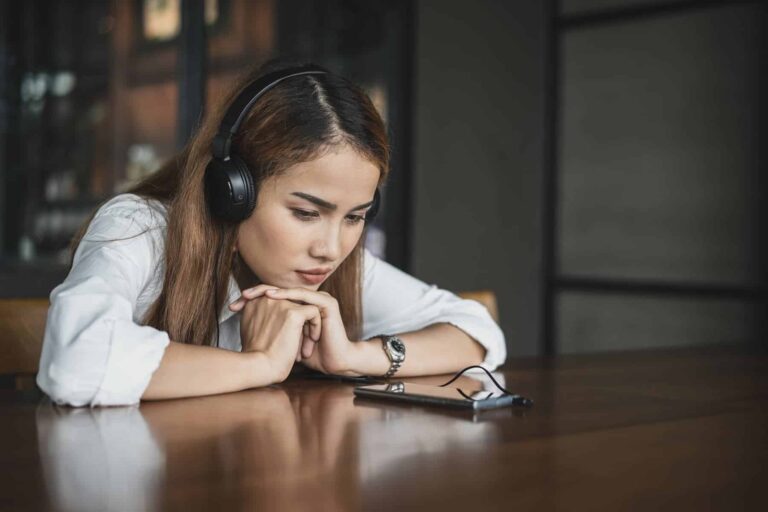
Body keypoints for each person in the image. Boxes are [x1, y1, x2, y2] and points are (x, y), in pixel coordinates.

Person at [36, 61, 506, 407]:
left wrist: (354, 356)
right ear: (231, 191)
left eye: (355, 216)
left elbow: (477, 331)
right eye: (306, 212)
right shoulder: (138, 227)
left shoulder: (323, 261)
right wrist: (259, 364)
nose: (331, 249)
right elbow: (76, 362)